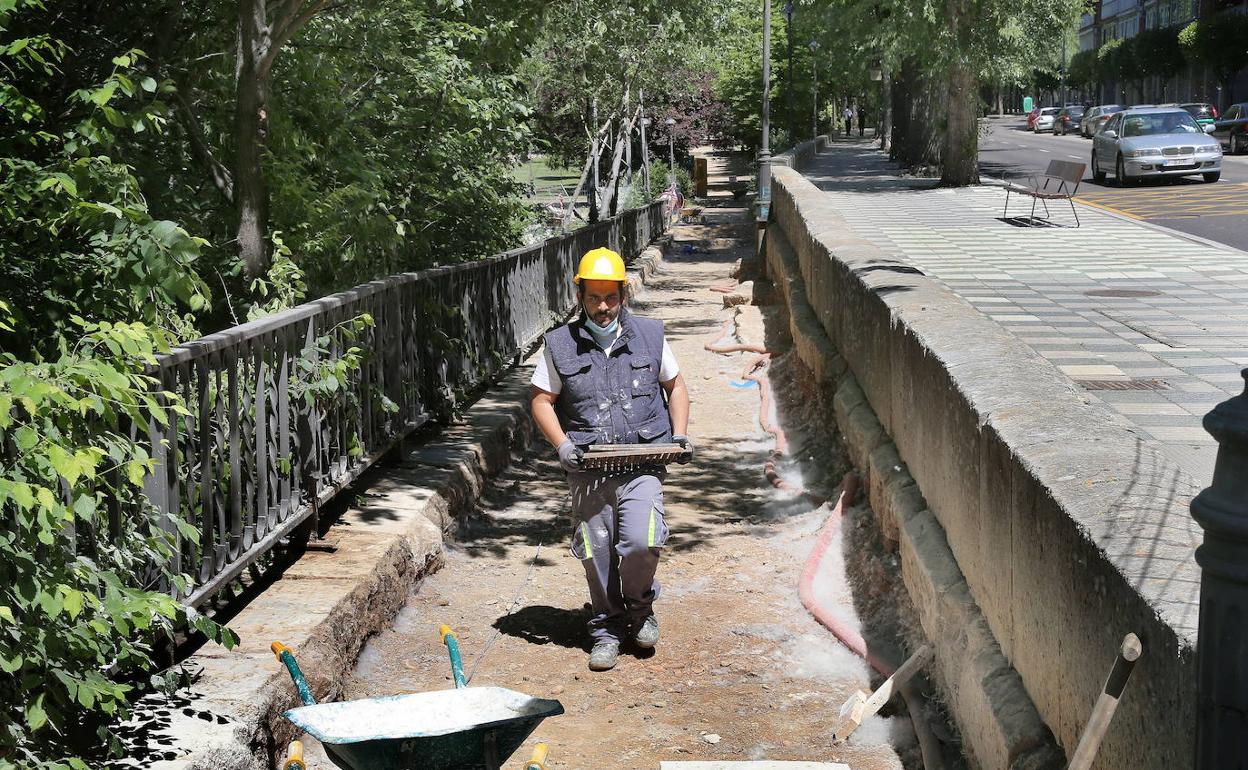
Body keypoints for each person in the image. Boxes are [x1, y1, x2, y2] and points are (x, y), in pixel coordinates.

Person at [529, 247, 692, 671]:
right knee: (596, 551)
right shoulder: (560, 345)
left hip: (642, 464)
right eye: (594, 297)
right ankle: (606, 627)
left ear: (623, 294)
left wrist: (680, 434)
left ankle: (640, 609)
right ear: (580, 294)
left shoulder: (651, 336)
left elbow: (675, 387)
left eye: (611, 297)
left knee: (642, 540)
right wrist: (563, 445)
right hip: (590, 470)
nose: (603, 307)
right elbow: (542, 400)